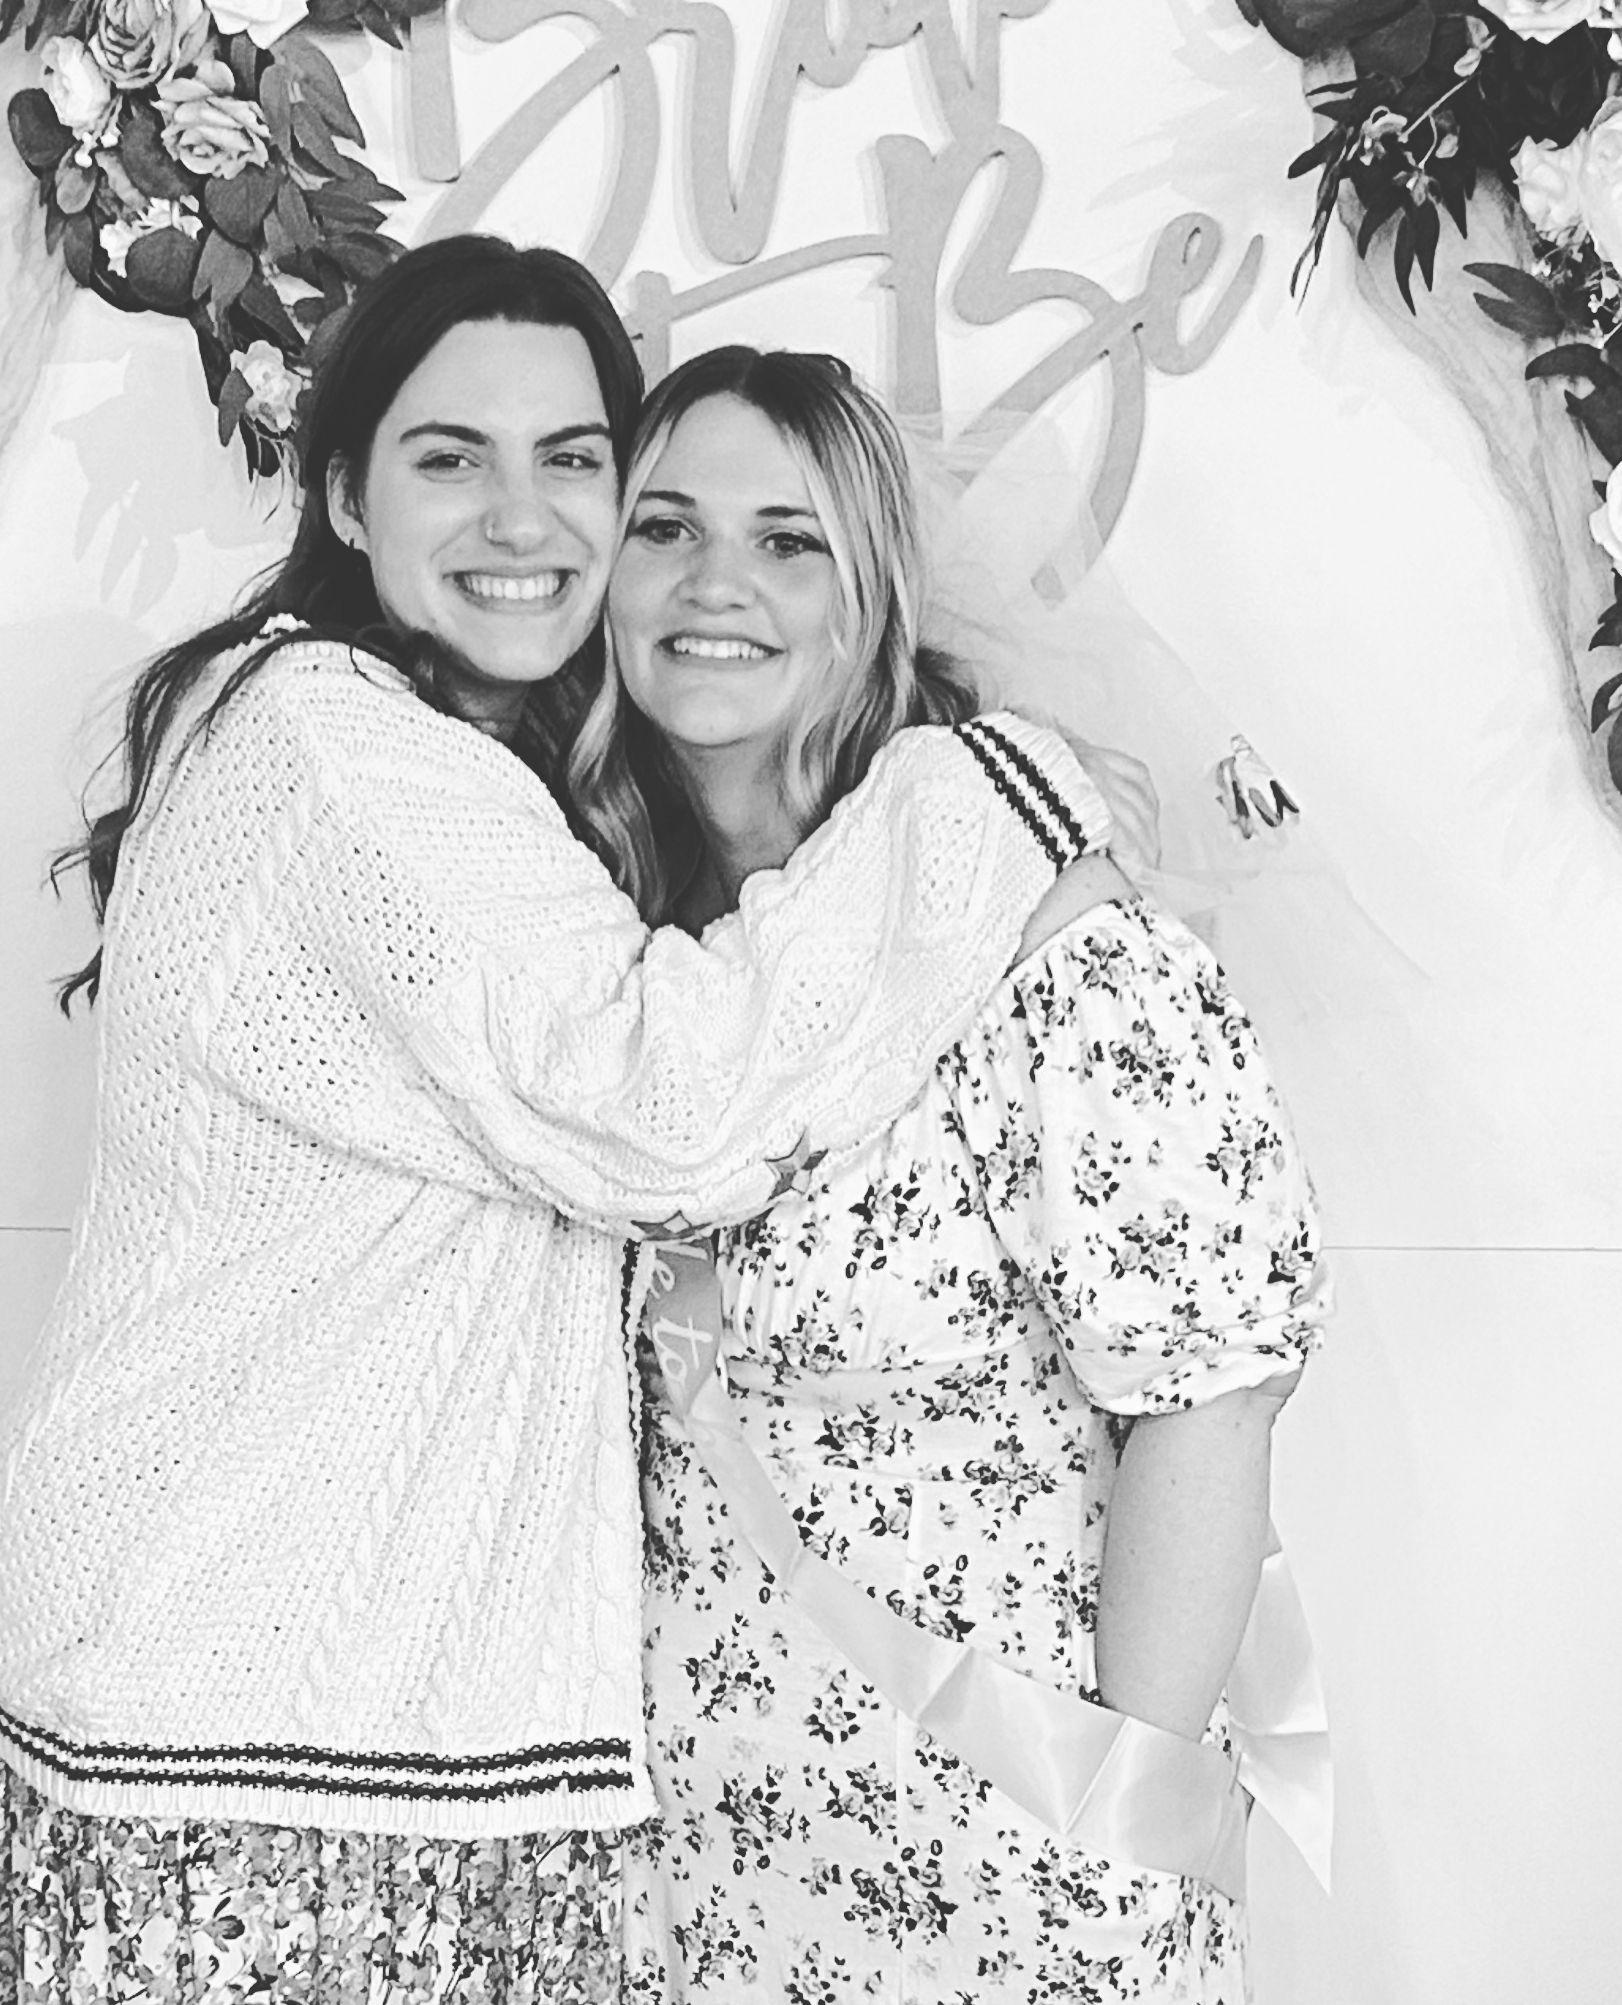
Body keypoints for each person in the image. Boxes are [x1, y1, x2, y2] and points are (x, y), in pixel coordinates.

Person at [0, 243, 1116, 2003]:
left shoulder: (406, 745)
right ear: (345, 494)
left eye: (573, 459)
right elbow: (666, 1112)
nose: (523, 516)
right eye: (450, 457)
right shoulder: (349, 757)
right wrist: (979, 795)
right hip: (262, 1727)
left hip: (290, 1701)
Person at [572, 348, 1328, 2003]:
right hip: (687, 1863)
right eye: (663, 527)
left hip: (1002, 1854)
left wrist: (1116, 1824)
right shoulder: (601, 949)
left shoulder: (1047, 937)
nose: (713, 581)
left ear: (871, 596)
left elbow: (1208, 1393)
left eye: (787, 541)